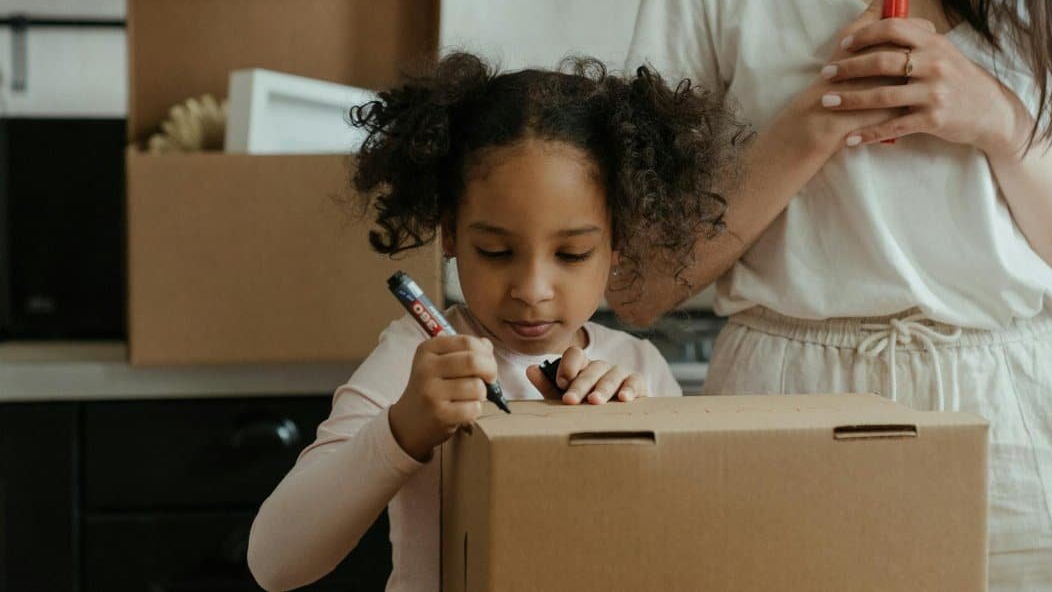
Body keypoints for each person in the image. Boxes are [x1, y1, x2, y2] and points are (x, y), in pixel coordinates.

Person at [617, 0, 1052, 589]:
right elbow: (643, 283)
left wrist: (1002, 125)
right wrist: (819, 117)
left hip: (1008, 427)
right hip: (784, 408)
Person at [247, 51, 742, 591]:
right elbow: (275, 563)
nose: (531, 291)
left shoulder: (637, 371)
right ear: (452, 235)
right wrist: (401, 430)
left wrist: (621, 436)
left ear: (618, 241)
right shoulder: (417, 359)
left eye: (572, 254)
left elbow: (689, 556)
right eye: (496, 251)